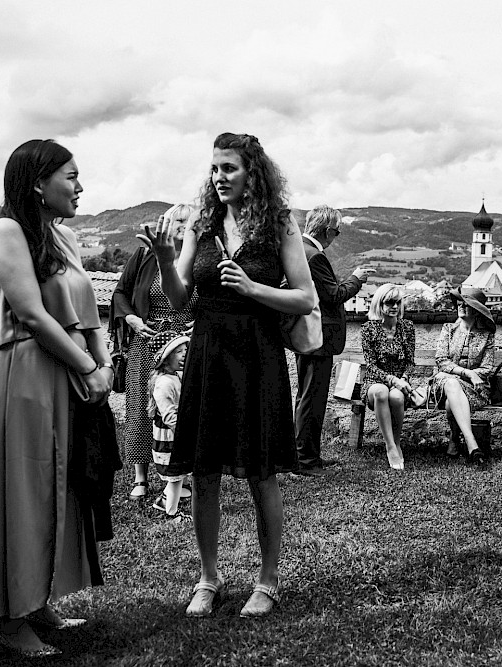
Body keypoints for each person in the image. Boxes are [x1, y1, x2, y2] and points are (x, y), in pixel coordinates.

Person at [138, 132, 317, 619]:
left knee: (260, 473)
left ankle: (268, 580)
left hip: (257, 353)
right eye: (215, 168)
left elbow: (305, 297)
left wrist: (254, 287)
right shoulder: (202, 220)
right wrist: (162, 256)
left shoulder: (278, 223)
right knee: (205, 471)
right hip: (209, 352)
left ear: (251, 173)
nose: (219, 177)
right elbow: (177, 300)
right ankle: (208, 578)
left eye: (229, 168)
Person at [0, 139, 119, 657]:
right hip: (28, 377)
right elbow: (34, 316)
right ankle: (10, 622)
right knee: (25, 490)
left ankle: (37, 602)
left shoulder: (66, 238)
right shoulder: (4, 231)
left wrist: (104, 365)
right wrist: (87, 366)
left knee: (61, 485)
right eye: (71, 177)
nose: (80, 187)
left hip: (72, 377)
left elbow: (89, 314)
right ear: (39, 182)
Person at [110, 203, 197, 500]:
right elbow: (120, 293)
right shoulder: (145, 255)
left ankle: (178, 477)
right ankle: (140, 477)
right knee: (141, 409)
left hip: (183, 346)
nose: (184, 225)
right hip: (145, 343)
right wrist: (132, 319)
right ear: (167, 224)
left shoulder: (198, 259)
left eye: (190, 221)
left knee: (178, 410)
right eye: (179, 220)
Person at [292, 204, 373, 477]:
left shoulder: (300, 248)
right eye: (337, 232)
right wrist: (356, 279)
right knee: (312, 399)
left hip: (306, 333)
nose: (336, 237)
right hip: (318, 336)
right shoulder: (315, 257)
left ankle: (306, 455)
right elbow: (333, 295)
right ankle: (306, 462)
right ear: (327, 230)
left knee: (305, 396)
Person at [432, 287, 497, 464]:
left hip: (473, 388)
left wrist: (468, 378)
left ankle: (454, 438)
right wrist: (467, 373)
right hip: (442, 383)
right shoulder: (448, 329)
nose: (461, 306)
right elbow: (441, 360)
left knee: (450, 402)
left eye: (466, 304)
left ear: (476, 312)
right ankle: (471, 444)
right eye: (459, 303)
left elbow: (487, 368)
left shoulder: (486, 336)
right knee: (452, 384)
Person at [360, 283, 416, 469]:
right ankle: (390, 447)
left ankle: (397, 442)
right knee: (381, 393)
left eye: (398, 302)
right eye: (389, 302)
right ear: (379, 304)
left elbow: (410, 361)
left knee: (397, 397)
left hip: (400, 382)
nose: (394, 307)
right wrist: (393, 380)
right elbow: (371, 365)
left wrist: (404, 380)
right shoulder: (369, 329)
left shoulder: (407, 327)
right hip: (375, 381)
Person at [148, 331, 191, 522]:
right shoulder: (164, 383)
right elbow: (169, 415)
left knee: (178, 474)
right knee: (175, 476)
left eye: (185, 350)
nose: (184, 354)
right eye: (178, 352)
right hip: (170, 437)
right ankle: (171, 514)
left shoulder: (175, 377)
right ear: (166, 359)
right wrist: (183, 436)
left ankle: (164, 501)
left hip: (177, 434)